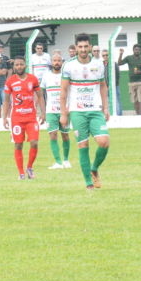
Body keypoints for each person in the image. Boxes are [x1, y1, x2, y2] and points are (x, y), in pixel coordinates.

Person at [60, 34, 110, 191]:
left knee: (104, 142)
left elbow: (103, 86)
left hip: (95, 110)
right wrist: (63, 113)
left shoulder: (98, 64)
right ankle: (89, 183)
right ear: (76, 48)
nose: (83, 49)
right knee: (83, 144)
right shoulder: (68, 66)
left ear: (90, 47)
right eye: (80, 47)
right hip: (77, 111)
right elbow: (63, 89)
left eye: (85, 46)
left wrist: (106, 107)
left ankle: (94, 168)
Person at [2, 56, 42, 179]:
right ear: (14, 67)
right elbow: (7, 101)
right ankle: (21, 173)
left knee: (34, 142)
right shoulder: (10, 81)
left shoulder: (33, 79)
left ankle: (29, 167)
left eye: (21, 64)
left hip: (31, 117)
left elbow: (40, 96)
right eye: (17, 65)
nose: (19, 66)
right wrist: (4, 118)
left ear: (25, 65)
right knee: (18, 144)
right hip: (17, 119)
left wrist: (43, 112)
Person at [41, 50, 71, 169]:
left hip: (64, 110)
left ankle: (66, 160)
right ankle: (58, 162)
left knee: (65, 135)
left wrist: (69, 107)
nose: (57, 62)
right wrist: (42, 110)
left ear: (62, 62)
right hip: (51, 111)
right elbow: (41, 93)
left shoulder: (66, 75)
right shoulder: (46, 75)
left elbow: (71, 91)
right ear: (51, 62)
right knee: (52, 135)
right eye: (54, 60)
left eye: (59, 60)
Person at [118, 45, 141, 115]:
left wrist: (139, 72)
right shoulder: (129, 58)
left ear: (140, 51)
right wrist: (121, 54)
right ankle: (137, 114)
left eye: (138, 50)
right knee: (134, 100)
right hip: (131, 82)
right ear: (133, 50)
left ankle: (140, 115)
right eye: (135, 49)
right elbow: (119, 63)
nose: (137, 51)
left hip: (140, 82)